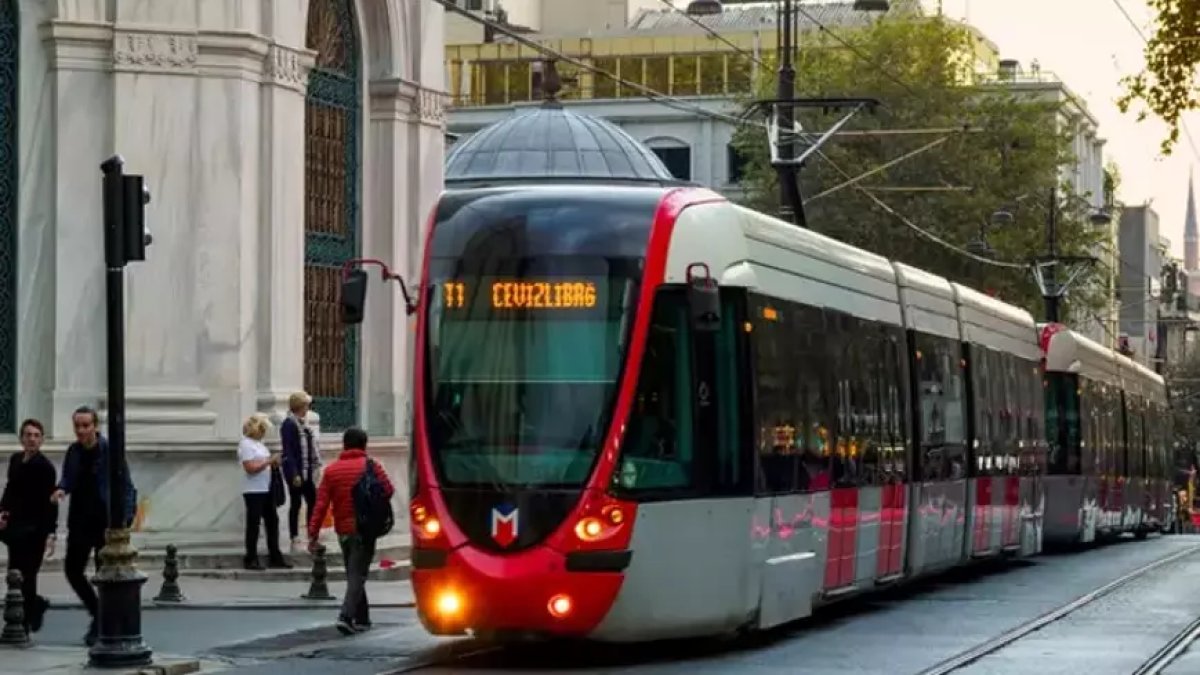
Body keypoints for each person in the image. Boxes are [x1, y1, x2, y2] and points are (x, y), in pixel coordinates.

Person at [52, 406, 136, 646]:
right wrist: (61, 489)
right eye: (77, 426)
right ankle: (98, 612)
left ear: (95, 426)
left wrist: (125, 518)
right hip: (79, 521)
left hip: (104, 522)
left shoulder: (109, 451)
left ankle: (104, 624)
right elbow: (68, 477)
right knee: (72, 569)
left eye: (85, 425)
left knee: (104, 574)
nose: (81, 430)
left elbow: (126, 484)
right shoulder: (74, 451)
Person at [308, 427, 394, 635]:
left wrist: (313, 533)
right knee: (358, 574)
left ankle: (362, 617)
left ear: (344, 445)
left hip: (344, 531)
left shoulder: (332, 471)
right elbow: (389, 490)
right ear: (364, 445)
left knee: (354, 572)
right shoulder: (372, 467)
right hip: (365, 529)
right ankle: (346, 616)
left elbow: (320, 505)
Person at [0, 419, 57, 633]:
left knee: (29, 574)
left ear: (41, 439)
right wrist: (2, 512)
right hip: (16, 527)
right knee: (15, 572)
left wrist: (50, 533)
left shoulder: (45, 467)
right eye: (28, 435)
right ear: (22, 438)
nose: (31, 439)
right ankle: (31, 608)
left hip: (35, 529)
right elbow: (10, 490)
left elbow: (50, 503)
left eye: (36, 435)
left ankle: (23, 621)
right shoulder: (15, 460)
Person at [238, 413, 291, 570]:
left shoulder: (260, 444)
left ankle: (275, 555)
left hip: (266, 487)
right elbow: (250, 468)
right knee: (253, 523)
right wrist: (268, 461)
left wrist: (274, 463)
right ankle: (251, 557)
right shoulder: (246, 444)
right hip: (253, 489)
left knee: (272, 521)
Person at [281, 391, 321, 551]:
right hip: (296, 472)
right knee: (296, 503)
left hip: (307, 471)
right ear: (299, 406)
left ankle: (312, 534)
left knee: (313, 500)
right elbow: (288, 450)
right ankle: (294, 535)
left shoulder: (303, 424)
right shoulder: (289, 424)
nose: (307, 408)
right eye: (305, 405)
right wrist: (295, 473)